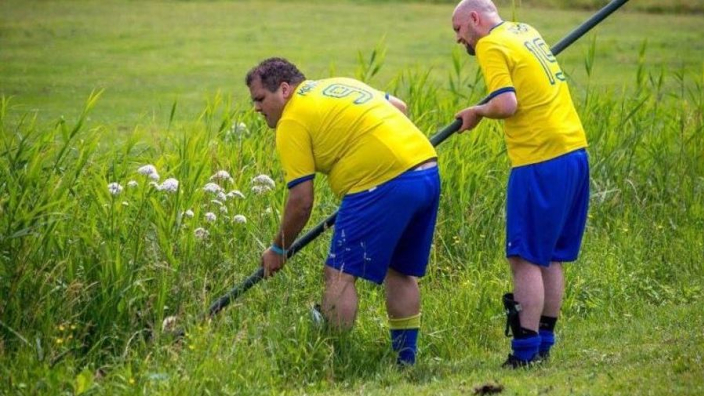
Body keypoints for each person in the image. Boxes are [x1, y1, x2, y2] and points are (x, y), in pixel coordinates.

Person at [245, 57, 441, 366]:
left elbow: (301, 200)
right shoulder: (339, 84)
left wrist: (279, 248)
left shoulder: (291, 121)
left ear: (284, 90)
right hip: (426, 170)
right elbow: (400, 107)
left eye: (260, 99)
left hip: (380, 182)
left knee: (338, 274)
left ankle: (336, 363)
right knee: (400, 270)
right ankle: (406, 363)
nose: (256, 108)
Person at [451, 0, 590, 367]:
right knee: (551, 255)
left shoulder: (491, 44)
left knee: (524, 256)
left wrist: (478, 111)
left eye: (458, 30)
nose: (459, 40)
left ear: (475, 20)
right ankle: (544, 342)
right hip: (574, 150)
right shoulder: (524, 30)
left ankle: (524, 353)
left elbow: (508, 104)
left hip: (539, 158)